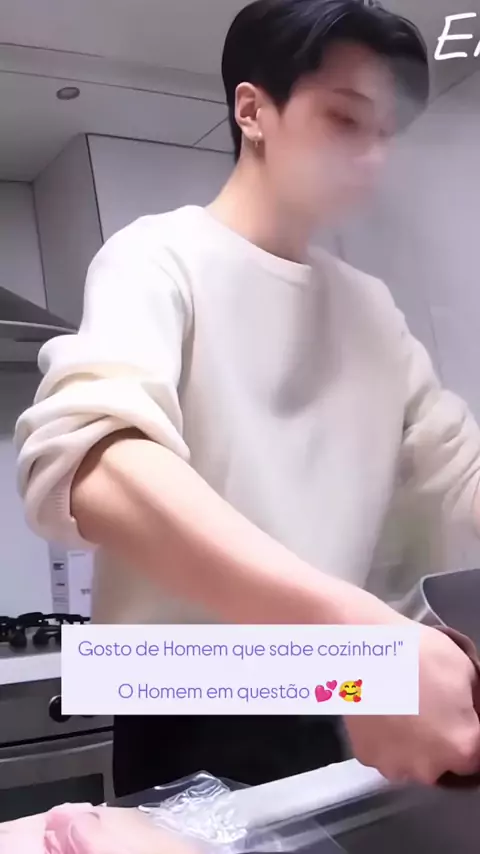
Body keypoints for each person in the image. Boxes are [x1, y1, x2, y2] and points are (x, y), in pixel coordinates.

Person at [16, 0, 480, 796]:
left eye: (385, 132)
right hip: (187, 687)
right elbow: (95, 461)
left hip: (332, 686)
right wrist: (350, 635)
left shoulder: (370, 309)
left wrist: (357, 650)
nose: (372, 157)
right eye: (345, 119)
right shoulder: (157, 256)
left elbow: (460, 471)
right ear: (252, 110)